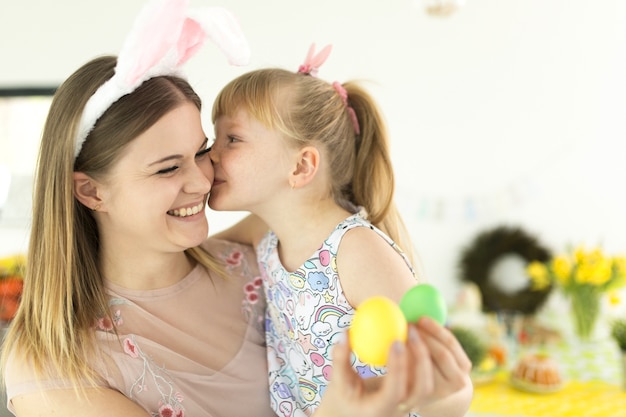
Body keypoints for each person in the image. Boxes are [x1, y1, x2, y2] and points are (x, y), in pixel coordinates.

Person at [0, 2, 446, 417]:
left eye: (203, 150)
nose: (202, 178)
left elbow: (316, 215)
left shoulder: (260, 264)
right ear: (91, 192)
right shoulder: (50, 359)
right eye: (167, 168)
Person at [208, 44, 474, 417]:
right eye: (214, 137)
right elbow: (193, 251)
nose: (210, 154)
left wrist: (445, 397)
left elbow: (444, 390)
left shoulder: (356, 251)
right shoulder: (266, 234)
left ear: (301, 166)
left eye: (231, 139)